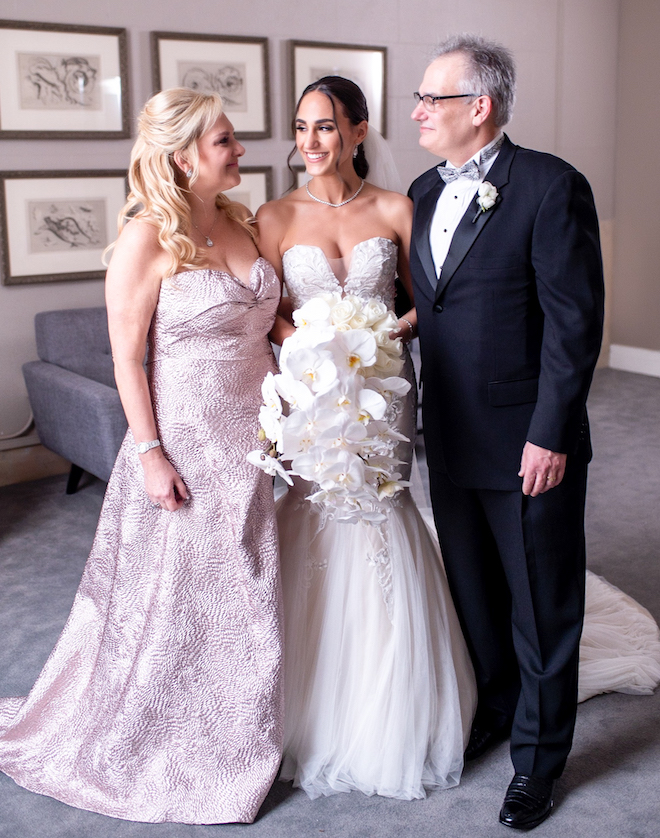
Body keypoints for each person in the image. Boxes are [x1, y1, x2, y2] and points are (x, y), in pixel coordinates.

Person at [0, 88, 283, 824]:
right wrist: (151, 454)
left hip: (261, 441)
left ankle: (247, 726)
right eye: (225, 141)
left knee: (250, 594)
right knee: (184, 603)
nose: (239, 151)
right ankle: (170, 739)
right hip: (187, 445)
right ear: (185, 156)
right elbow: (128, 361)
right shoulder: (146, 238)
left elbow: (271, 323)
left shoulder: (243, 222)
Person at [408, 34, 660, 830]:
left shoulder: (552, 186)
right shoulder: (418, 189)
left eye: (431, 98)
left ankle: (538, 763)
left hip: (528, 444)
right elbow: (433, 307)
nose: (417, 111)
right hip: (447, 437)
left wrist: (550, 434)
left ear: (478, 108)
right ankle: (498, 710)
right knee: (474, 594)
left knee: (542, 606)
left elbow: (574, 325)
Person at [257, 76, 477, 801]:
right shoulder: (275, 216)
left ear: (356, 132)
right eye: (300, 127)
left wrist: (379, 337)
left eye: (325, 128)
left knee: (382, 510)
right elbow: (269, 315)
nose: (309, 142)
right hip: (314, 398)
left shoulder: (395, 207)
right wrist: (315, 345)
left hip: (384, 392)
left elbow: (426, 302)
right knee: (316, 514)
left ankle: (394, 697)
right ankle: (308, 700)